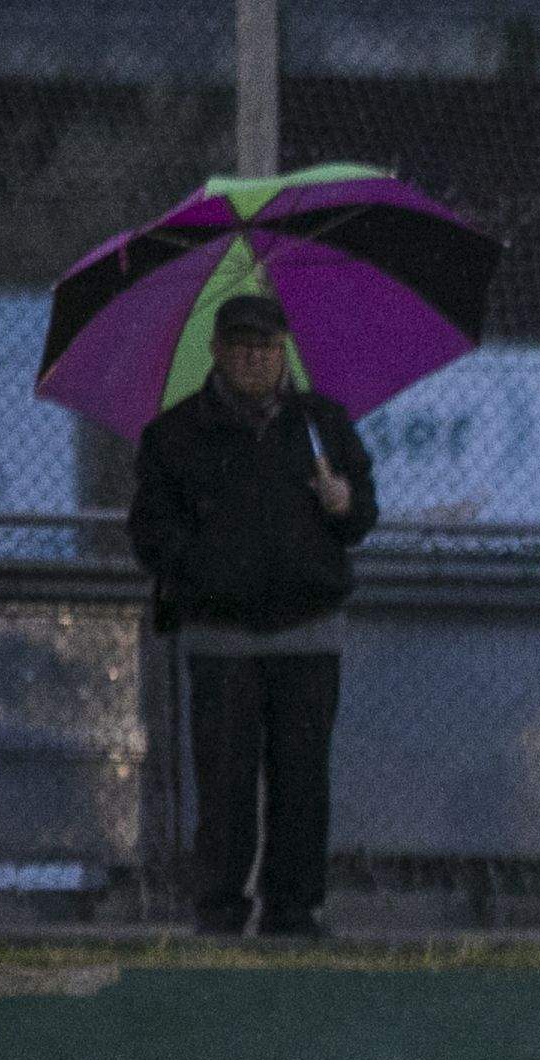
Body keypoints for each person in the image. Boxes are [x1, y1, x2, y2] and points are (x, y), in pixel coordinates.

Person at [127, 293, 377, 940]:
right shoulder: (172, 437)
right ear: (215, 350)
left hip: (308, 629)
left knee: (302, 784)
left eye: (266, 347)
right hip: (221, 636)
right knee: (225, 786)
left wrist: (344, 501)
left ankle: (294, 910)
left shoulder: (322, 424)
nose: (253, 358)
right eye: (240, 345)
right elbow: (149, 532)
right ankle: (220, 908)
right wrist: (206, 568)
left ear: (283, 350)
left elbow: (362, 519)